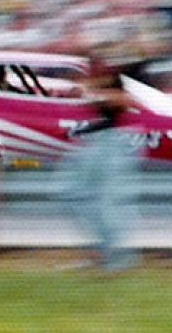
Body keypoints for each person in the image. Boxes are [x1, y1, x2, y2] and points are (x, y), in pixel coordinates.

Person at [55, 60, 140, 272]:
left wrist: (90, 95)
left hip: (114, 141)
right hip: (96, 140)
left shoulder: (119, 77)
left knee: (103, 201)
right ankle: (102, 253)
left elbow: (125, 101)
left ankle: (114, 258)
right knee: (72, 193)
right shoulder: (91, 77)